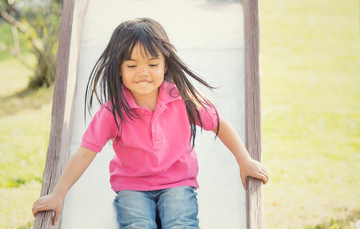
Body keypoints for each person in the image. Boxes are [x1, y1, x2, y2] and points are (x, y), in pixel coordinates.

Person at [32, 18, 269, 228]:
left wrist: (244, 160)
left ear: (165, 65)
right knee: (138, 224)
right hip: (132, 185)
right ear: (120, 70)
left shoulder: (182, 98)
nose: (143, 72)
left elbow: (218, 123)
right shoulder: (113, 111)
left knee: (181, 222)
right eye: (132, 65)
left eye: (152, 64)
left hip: (177, 180)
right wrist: (58, 194)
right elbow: (85, 153)